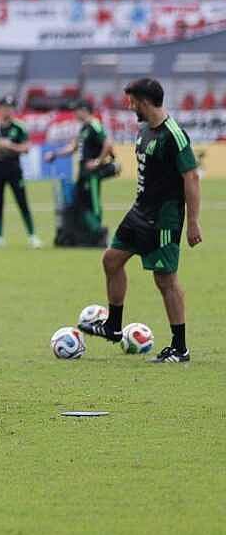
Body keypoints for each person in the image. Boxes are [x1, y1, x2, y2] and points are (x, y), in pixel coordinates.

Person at [79, 78, 201, 363]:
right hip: (138, 212)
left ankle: (179, 347)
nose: (129, 106)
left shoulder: (175, 135)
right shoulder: (144, 129)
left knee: (165, 279)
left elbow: (191, 177)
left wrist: (193, 222)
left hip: (163, 219)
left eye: (132, 101)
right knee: (111, 260)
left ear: (145, 101)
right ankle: (112, 326)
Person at [47, 99, 115, 245]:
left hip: (92, 174)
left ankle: (100, 234)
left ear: (84, 110)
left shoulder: (94, 125)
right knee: (80, 204)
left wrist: (97, 161)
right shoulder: (84, 128)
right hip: (84, 172)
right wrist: (56, 154)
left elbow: (108, 144)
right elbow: (73, 147)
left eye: (76, 110)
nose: (74, 113)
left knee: (93, 204)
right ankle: (95, 234)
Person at [0, 96, 40, 249]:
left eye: (10, 107)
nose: (7, 110)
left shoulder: (19, 127)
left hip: (14, 170)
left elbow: (26, 148)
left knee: (22, 202)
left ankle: (32, 236)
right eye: (4, 107)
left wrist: (10, 145)